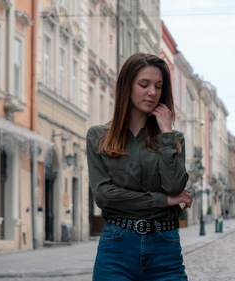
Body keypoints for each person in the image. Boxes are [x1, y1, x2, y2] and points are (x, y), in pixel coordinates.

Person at [86, 52, 192, 280]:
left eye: (158, 86)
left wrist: (166, 132)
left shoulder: (174, 139)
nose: (152, 92)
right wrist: (162, 201)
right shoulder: (98, 137)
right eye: (144, 84)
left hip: (165, 248)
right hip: (117, 247)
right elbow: (105, 196)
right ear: (127, 86)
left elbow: (174, 187)